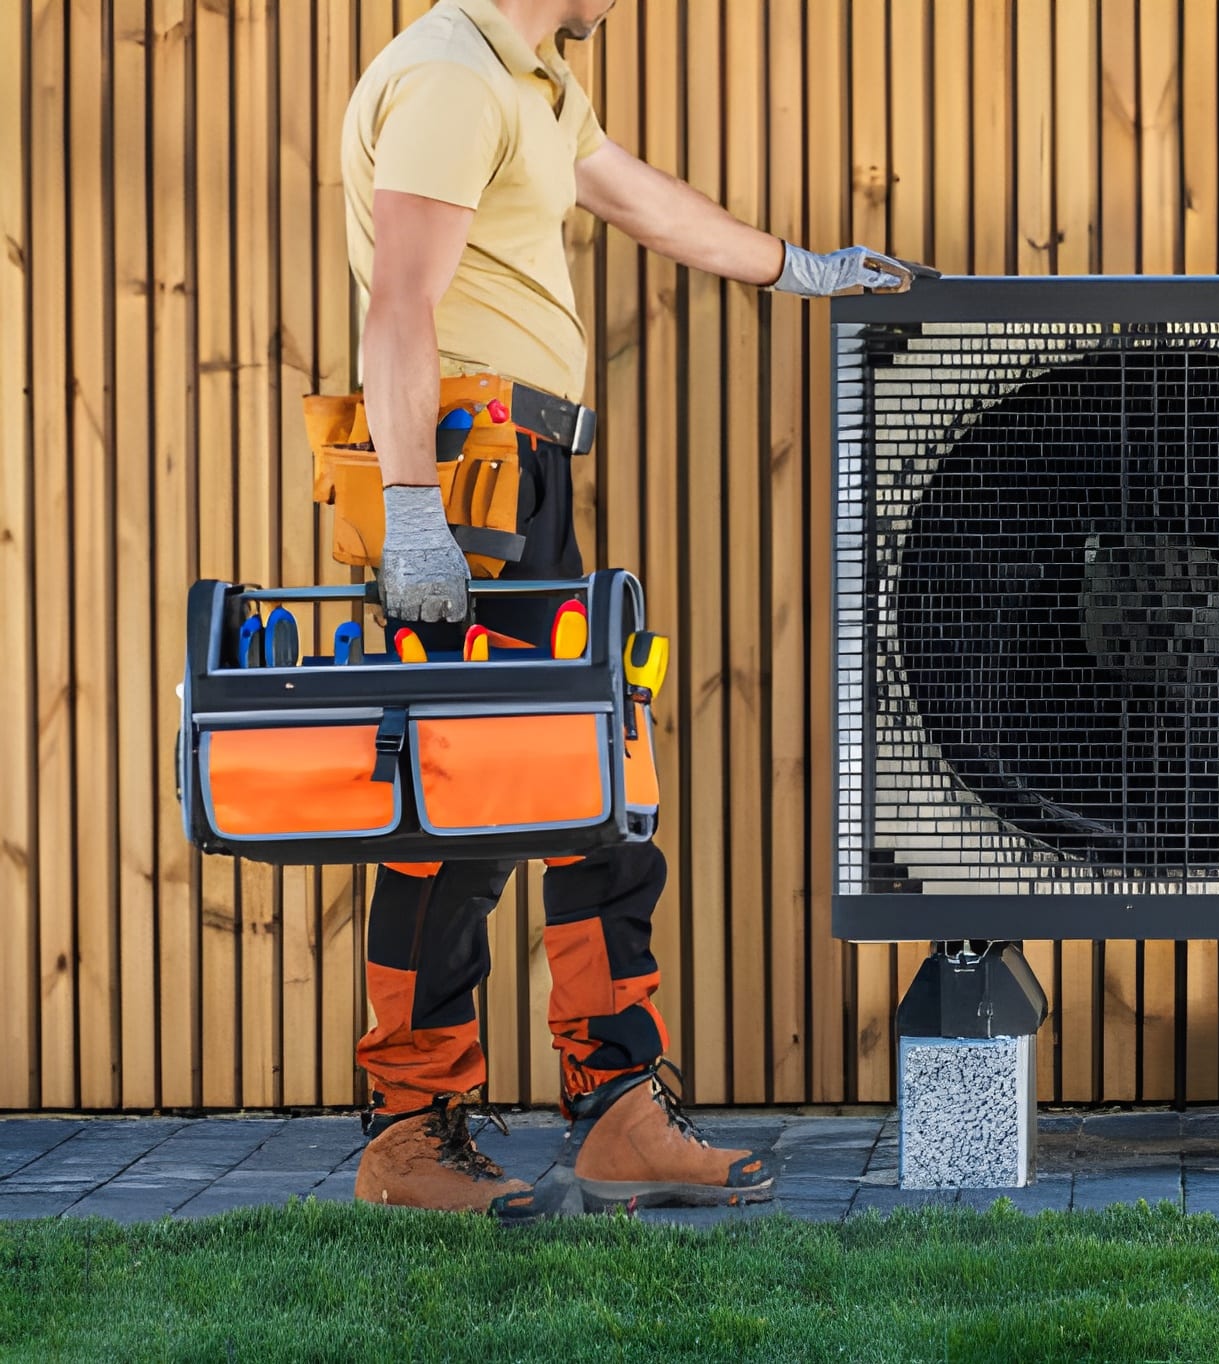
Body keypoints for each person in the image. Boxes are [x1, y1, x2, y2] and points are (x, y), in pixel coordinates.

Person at [338, 0, 923, 1215]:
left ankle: (610, 1110)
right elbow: (398, 302)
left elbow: (645, 198)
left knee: (590, 785)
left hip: (518, 475)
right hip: (463, 480)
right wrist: (408, 512)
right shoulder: (451, 80)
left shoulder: (534, 81)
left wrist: (799, 267)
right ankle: (410, 1136)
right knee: (462, 808)